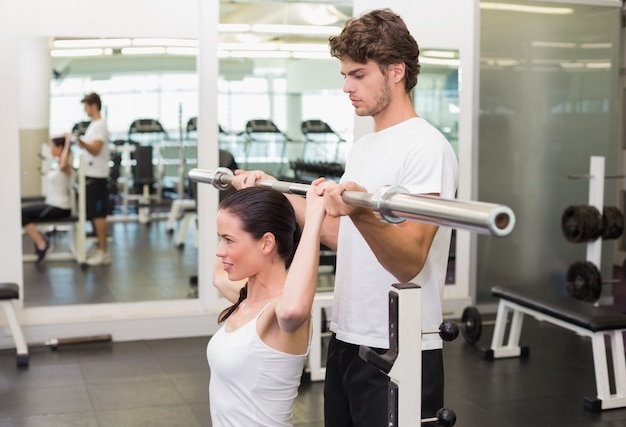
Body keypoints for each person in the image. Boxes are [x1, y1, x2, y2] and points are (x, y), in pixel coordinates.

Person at [232, 8, 459, 426]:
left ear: (395, 71)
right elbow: (341, 233)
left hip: (399, 347)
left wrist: (362, 211)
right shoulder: (365, 145)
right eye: (344, 75)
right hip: (349, 337)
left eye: (357, 75)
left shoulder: (427, 147)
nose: (346, 87)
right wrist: (276, 191)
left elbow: (410, 261)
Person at [206, 180, 327, 427]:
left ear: (266, 243)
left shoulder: (279, 313)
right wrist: (246, 196)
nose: (219, 251)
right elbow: (218, 277)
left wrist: (314, 216)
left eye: (229, 240)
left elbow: (294, 309)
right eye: (220, 238)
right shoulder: (247, 299)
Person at [71, 92, 111, 266]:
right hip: (90, 176)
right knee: (94, 214)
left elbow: (95, 149)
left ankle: (104, 252)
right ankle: (99, 248)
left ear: (93, 105)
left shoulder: (100, 125)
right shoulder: (93, 125)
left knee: (98, 215)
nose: (84, 110)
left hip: (97, 177)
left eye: (86, 106)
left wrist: (79, 140)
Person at [22, 135, 73, 264]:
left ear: (60, 148)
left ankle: (42, 244)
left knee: (23, 214)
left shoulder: (66, 166)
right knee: (22, 213)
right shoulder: (58, 165)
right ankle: (41, 240)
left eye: (52, 147)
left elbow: (63, 163)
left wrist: (67, 142)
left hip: (60, 208)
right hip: (51, 205)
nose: (50, 150)